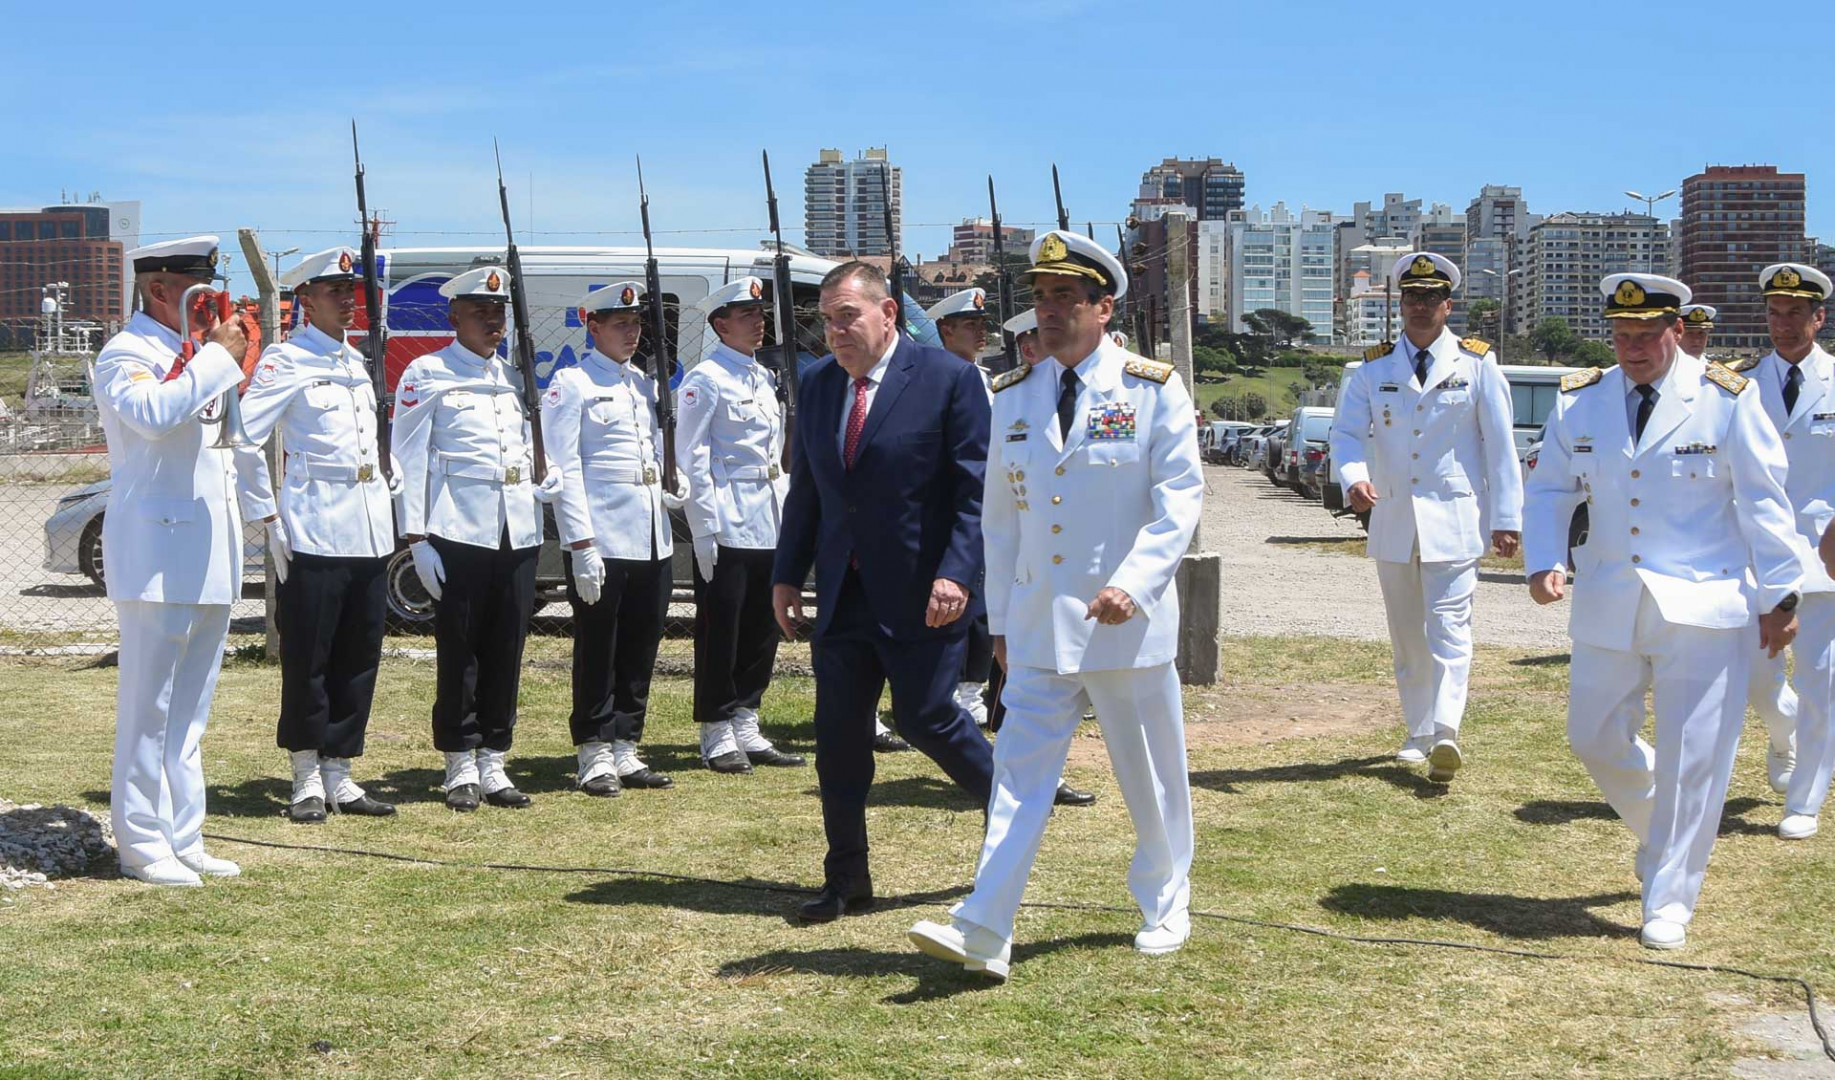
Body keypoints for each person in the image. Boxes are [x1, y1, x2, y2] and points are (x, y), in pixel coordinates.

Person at [908, 230, 1204, 980]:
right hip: (1040, 624)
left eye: (1064, 298)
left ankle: (1165, 897)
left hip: (1124, 624)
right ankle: (984, 924)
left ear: (1104, 307)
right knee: (1015, 776)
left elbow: (1179, 504)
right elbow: (1001, 522)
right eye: (1040, 297)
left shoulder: (1150, 388)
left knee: (1149, 775)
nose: (1047, 311)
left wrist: (1133, 584)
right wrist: (1000, 624)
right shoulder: (1014, 396)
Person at [1524, 272, 1802, 949]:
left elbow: (1764, 502)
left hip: (1704, 602)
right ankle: (1665, 832)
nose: (1632, 348)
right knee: (1592, 736)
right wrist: (1543, 557)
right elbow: (1550, 488)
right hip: (1608, 594)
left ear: (1676, 330)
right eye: (1620, 335)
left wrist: (1781, 594)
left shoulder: (1724, 400)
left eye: (1646, 335)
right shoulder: (1579, 401)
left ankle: (1669, 895)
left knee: (1694, 756)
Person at [772, 262, 998, 923]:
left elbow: (971, 491)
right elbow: (808, 488)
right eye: (826, 318)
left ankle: (1012, 812)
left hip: (924, 589)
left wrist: (957, 572)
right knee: (837, 738)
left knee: (927, 719)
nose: (835, 330)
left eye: (847, 315)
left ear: (887, 314)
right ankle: (845, 878)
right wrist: (787, 575)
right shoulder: (816, 386)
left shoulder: (946, 379)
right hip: (843, 593)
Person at [94, 235, 265, 885]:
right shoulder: (127, 354)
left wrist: (234, 362)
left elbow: (228, 443)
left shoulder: (194, 355)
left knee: (189, 712)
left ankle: (183, 835)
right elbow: (156, 415)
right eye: (199, 286)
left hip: (206, 551)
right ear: (162, 288)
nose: (210, 300)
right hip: (156, 554)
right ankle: (140, 844)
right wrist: (219, 360)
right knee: (149, 710)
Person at [1330, 251, 1522, 782]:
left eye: (1431, 298)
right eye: (1412, 298)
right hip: (1393, 516)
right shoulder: (1373, 367)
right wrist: (1353, 477)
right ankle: (1417, 730)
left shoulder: (1478, 363)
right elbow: (1345, 435)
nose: (1420, 307)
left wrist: (1507, 517)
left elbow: (1500, 445)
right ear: (1400, 304)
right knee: (1407, 633)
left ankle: (1445, 730)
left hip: (1455, 517)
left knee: (1449, 627)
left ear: (1448, 305)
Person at [392, 265, 563, 812]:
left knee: (506, 646)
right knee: (461, 648)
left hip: (517, 527)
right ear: (454, 316)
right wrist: (416, 537)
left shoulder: (515, 378)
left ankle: (495, 758)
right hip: (458, 527)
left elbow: (530, 446)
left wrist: (548, 473)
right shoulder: (428, 372)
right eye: (481, 312)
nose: (493, 321)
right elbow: (409, 457)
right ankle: (460, 761)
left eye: (499, 312)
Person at [239, 247, 398, 823]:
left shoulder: (356, 361)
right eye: (335, 292)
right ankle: (305, 774)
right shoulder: (287, 360)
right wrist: (269, 515)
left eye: (352, 292)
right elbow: (244, 437)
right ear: (305, 300)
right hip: (313, 526)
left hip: (369, 526)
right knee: (309, 655)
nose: (348, 302)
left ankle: (341, 772)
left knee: (359, 654)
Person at [540, 282, 679, 795]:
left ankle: (626, 744)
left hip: (650, 535)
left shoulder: (643, 384)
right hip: (603, 535)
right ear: (592, 327)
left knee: (642, 644)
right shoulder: (572, 384)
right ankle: (594, 749)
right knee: (599, 646)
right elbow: (565, 466)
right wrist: (580, 544)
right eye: (619, 323)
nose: (631, 331)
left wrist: (673, 480)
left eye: (637, 323)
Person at [1720, 264, 1835, 838]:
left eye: (1796, 313)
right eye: (1774, 312)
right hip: (1753, 553)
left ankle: (1805, 801)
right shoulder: (1738, 384)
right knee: (1758, 679)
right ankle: (1785, 731)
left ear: (1819, 317)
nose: (1783, 323)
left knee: (1822, 677)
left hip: (1823, 553)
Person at [675, 276, 804, 773]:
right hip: (727, 517)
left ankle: (747, 717)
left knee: (761, 625)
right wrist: (704, 527)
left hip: (767, 515)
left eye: (760, 315)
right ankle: (715, 726)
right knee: (720, 629)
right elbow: (692, 457)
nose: (759, 322)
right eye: (747, 315)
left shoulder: (761, 377)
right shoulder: (705, 380)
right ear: (719, 324)